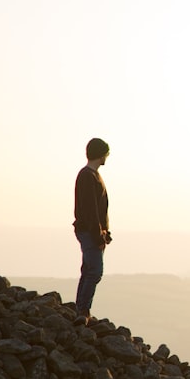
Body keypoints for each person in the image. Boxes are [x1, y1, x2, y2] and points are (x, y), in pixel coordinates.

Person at [73, 137, 111, 325]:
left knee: (88, 269)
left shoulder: (92, 175)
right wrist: (98, 234)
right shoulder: (88, 176)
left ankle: (80, 308)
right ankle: (82, 310)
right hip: (89, 231)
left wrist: (105, 231)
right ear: (100, 153)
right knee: (95, 271)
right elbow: (91, 210)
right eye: (106, 153)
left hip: (92, 230)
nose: (108, 156)